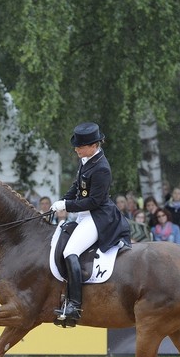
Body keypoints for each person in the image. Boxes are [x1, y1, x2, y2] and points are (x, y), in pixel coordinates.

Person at [49, 122, 131, 323]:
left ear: (94, 145)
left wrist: (66, 205)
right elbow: (77, 186)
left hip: (98, 216)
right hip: (84, 214)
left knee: (70, 251)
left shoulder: (102, 168)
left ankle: (74, 306)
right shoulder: (86, 160)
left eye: (80, 146)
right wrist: (61, 201)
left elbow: (95, 201)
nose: (76, 148)